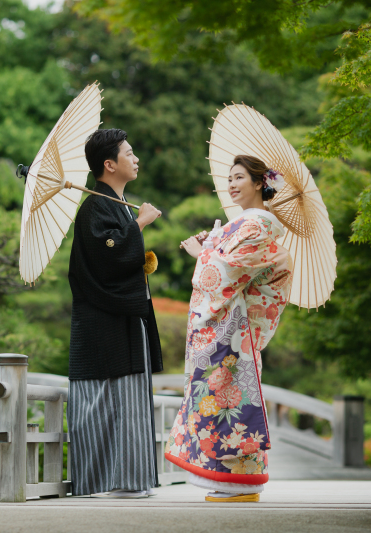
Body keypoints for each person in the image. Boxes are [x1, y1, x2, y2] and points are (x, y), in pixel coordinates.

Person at [164, 154, 293, 503]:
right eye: (229, 178)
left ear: (258, 183)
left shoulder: (257, 226)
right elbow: (227, 260)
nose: (232, 184)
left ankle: (236, 483)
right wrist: (213, 244)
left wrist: (201, 254)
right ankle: (234, 482)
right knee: (221, 401)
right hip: (231, 329)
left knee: (227, 404)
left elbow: (228, 271)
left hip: (232, 332)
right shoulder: (244, 225)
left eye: (240, 177)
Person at [67, 128, 164, 499]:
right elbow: (108, 258)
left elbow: (122, 255)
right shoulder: (94, 206)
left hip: (125, 317)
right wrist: (138, 225)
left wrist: (132, 226)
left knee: (130, 400)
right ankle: (109, 482)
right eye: (129, 153)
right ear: (109, 164)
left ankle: (131, 479)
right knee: (103, 400)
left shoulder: (117, 205)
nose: (135, 158)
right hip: (102, 320)